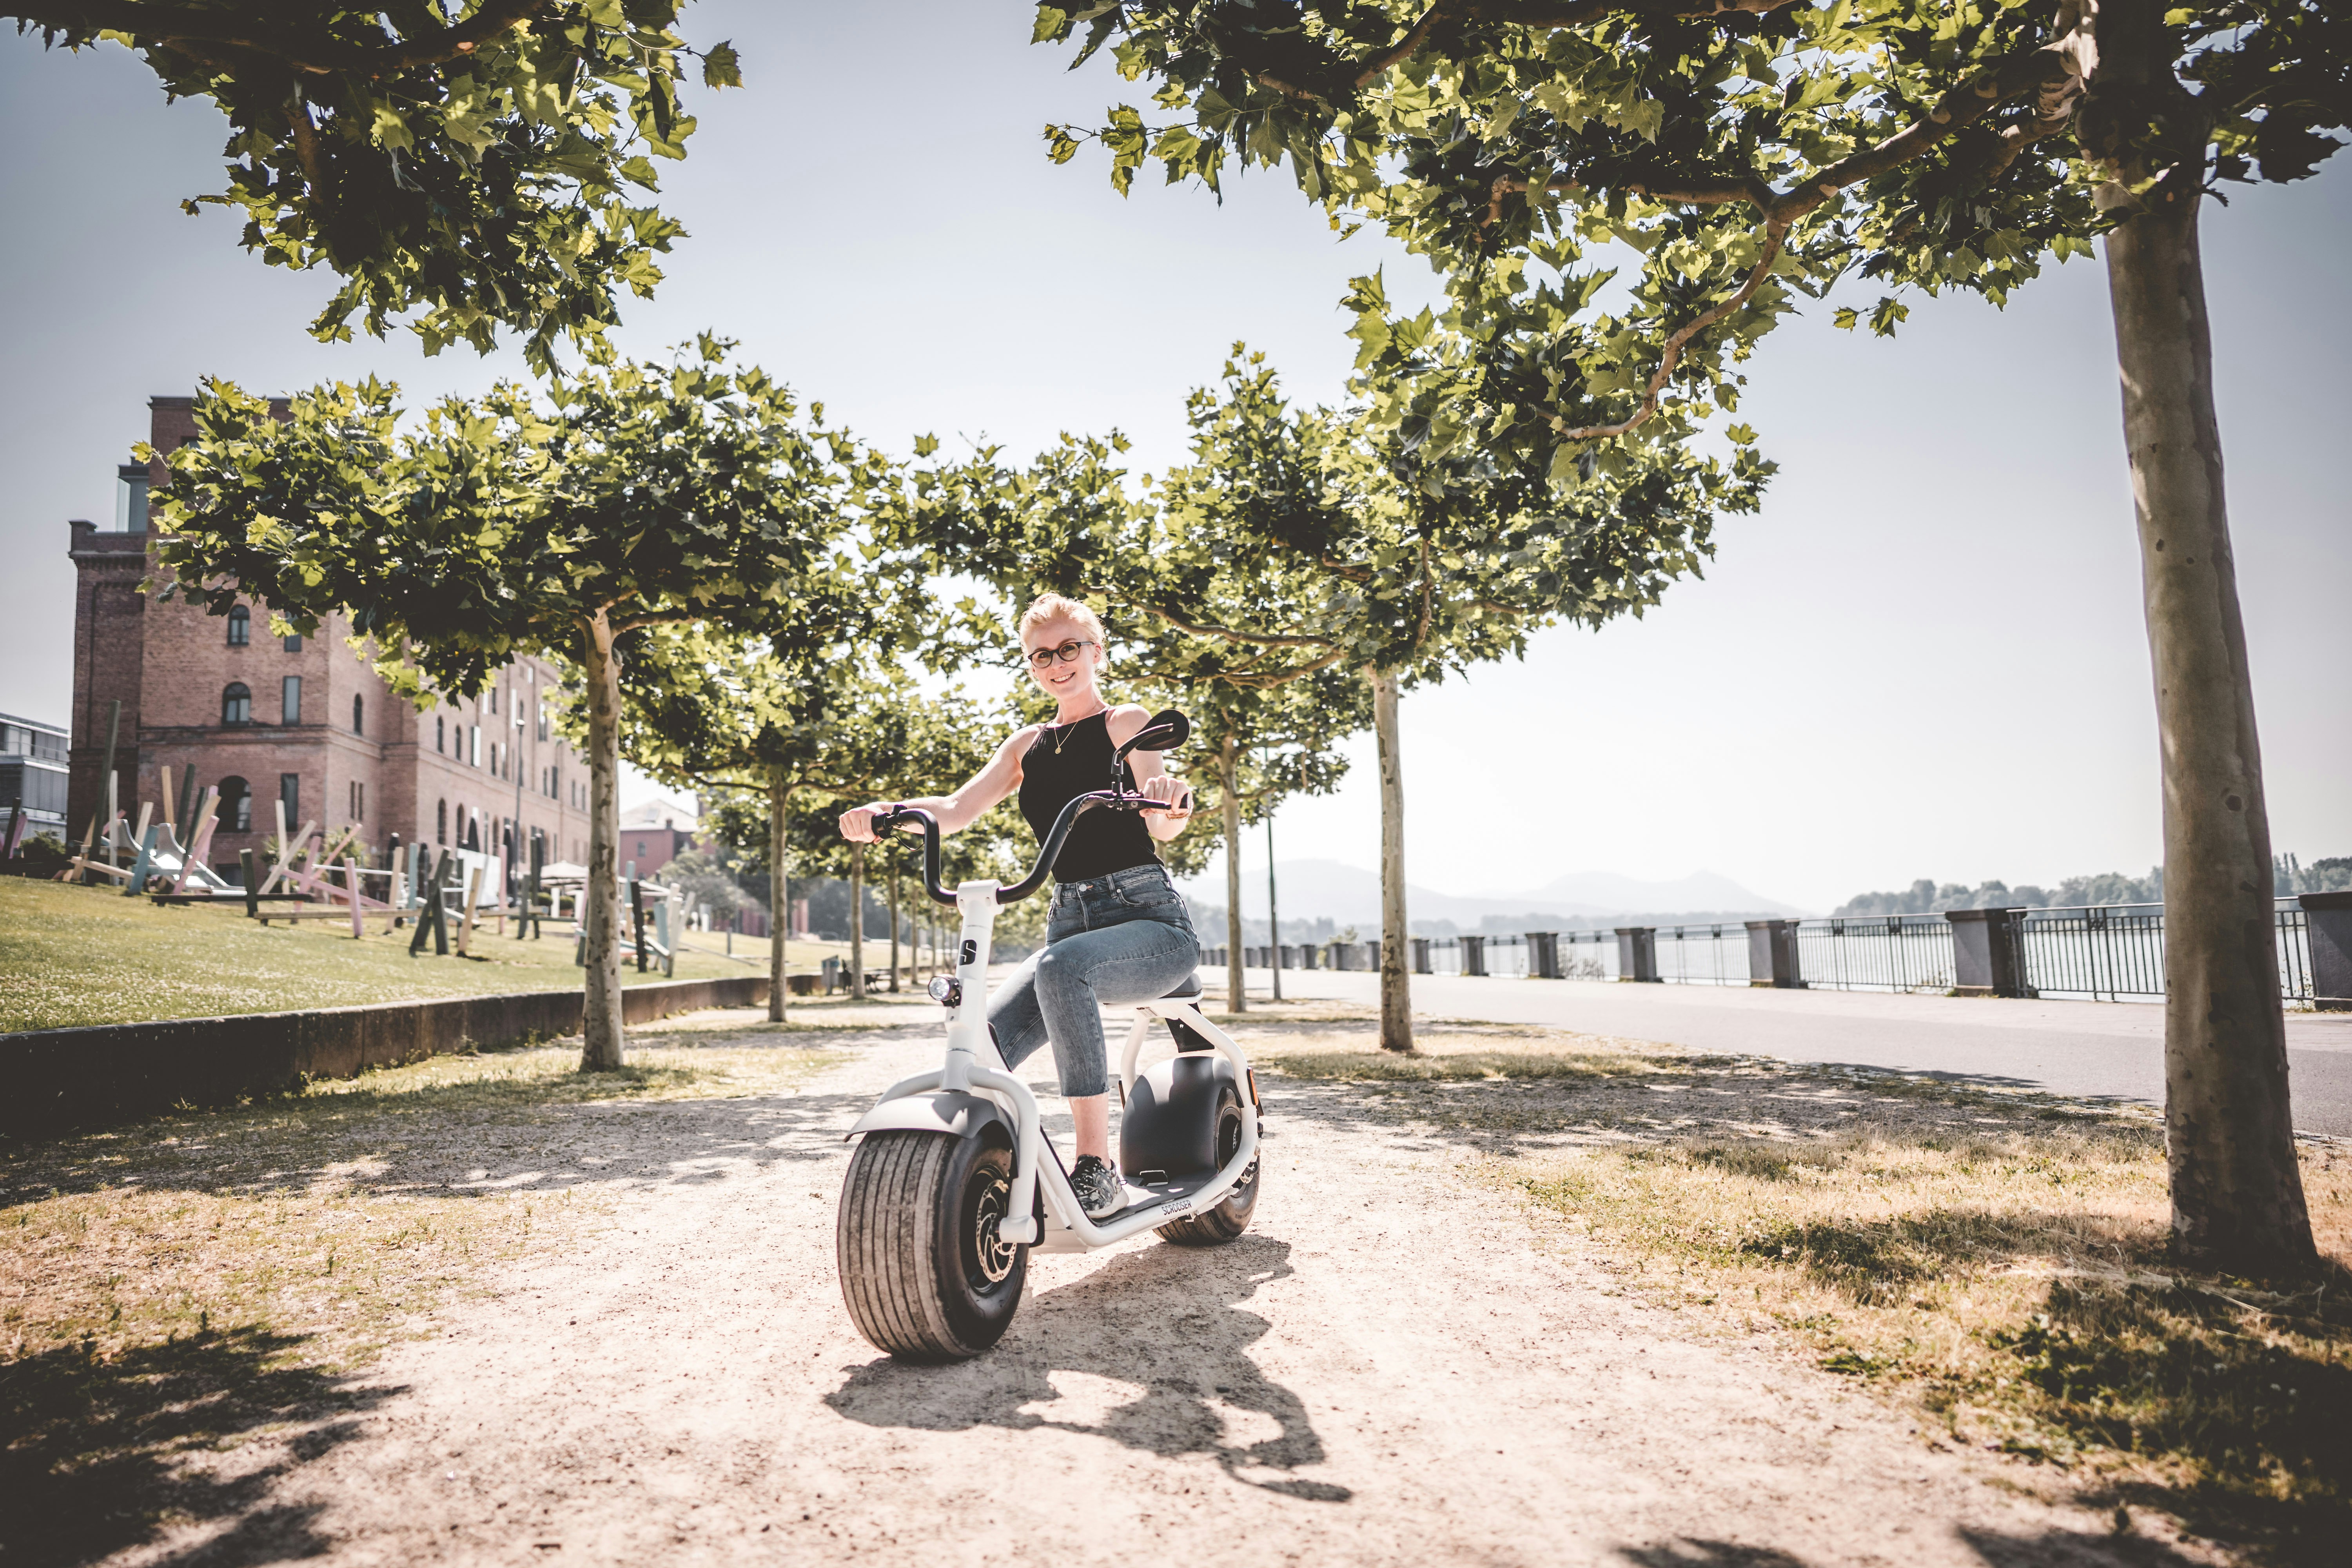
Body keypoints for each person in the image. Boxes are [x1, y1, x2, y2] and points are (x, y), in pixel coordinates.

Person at [839, 593, 1197, 1219]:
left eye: (1068, 649)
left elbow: (1163, 824)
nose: (1056, 664)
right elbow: (954, 811)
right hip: (1070, 922)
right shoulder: (1025, 746)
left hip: (1149, 920)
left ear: (1096, 652)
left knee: (1062, 970)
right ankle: (991, 1175)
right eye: (1041, 655)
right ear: (1031, 665)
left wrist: (1170, 800)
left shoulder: (1126, 722)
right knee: (982, 1041)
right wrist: (889, 812)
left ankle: (1096, 1168)